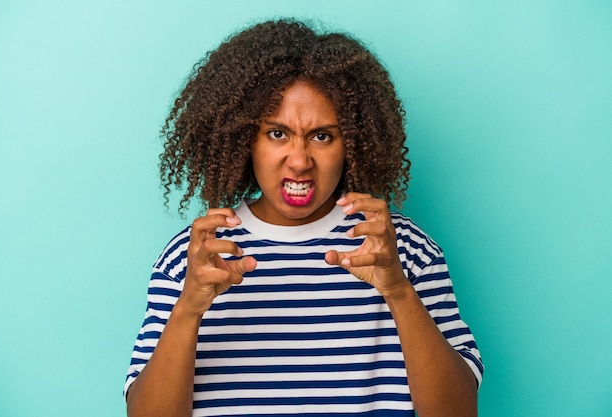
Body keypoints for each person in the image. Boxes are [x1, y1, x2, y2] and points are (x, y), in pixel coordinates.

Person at [124, 19, 483, 417]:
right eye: (277, 134)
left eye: (322, 136)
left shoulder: (400, 250)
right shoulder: (195, 260)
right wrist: (190, 306)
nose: (299, 161)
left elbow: (459, 411)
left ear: (354, 143)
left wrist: (397, 290)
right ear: (247, 140)